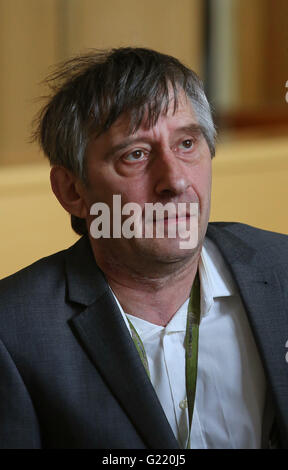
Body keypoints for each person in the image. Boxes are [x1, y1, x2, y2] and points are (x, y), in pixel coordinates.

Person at [0, 47, 287, 449]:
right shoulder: (12, 332)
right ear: (72, 190)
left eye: (187, 144)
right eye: (135, 155)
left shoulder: (282, 270)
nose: (175, 181)